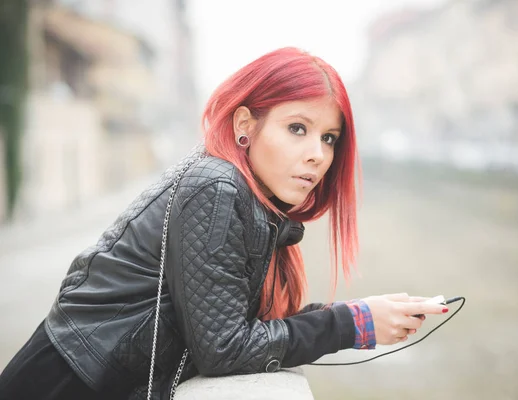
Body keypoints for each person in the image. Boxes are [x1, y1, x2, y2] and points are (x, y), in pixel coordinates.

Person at [0, 47, 448, 400]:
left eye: (328, 138)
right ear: (245, 125)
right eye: (297, 128)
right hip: (63, 383)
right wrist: (352, 325)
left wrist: (363, 314)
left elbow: (232, 324)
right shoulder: (216, 189)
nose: (318, 154)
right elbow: (225, 349)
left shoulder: (247, 202)